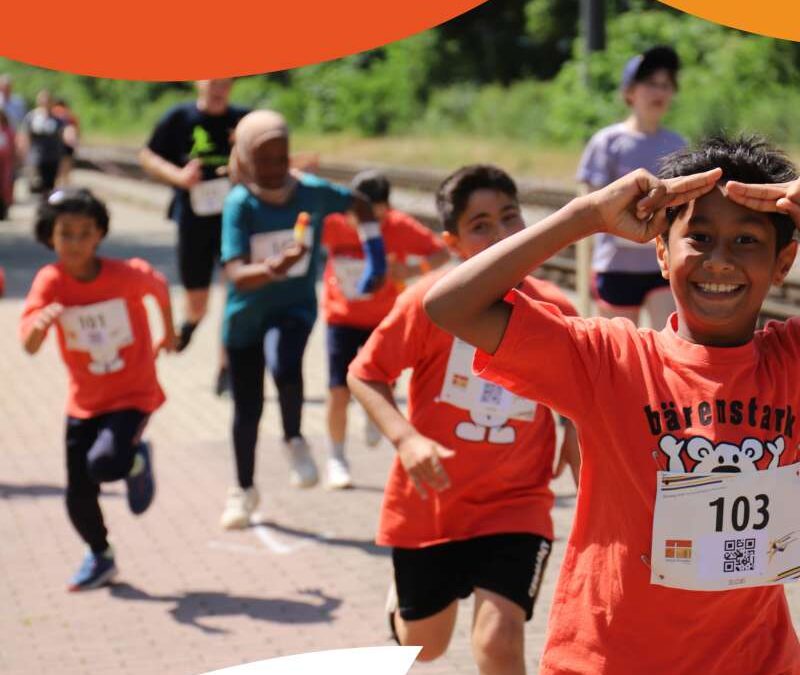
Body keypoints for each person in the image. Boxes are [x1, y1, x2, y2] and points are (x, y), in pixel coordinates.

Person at [424, 136, 800, 674]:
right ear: (663, 253)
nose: (719, 260)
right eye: (698, 237)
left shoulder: (791, 363)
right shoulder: (610, 359)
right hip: (606, 662)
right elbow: (450, 304)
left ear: (783, 260)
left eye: (746, 240)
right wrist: (585, 216)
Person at [348, 165, 580, 674]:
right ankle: (402, 606)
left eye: (510, 217)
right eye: (480, 226)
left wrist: (573, 427)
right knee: (426, 646)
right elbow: (365, 375)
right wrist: (406, 440)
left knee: (500, 640)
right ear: (452, 242)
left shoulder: (556, 309)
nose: (501, 236)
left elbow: (582, 384)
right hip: (431, 500)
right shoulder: (427, 305)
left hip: (517, 503)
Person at [218, 109, 386, 529]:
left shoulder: (310, 192)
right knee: (247, 408)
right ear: (243, 160)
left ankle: (294, 439)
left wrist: (376, 257)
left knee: (285, 361)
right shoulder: (241, 204)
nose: (276, 170)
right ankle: (243, 489)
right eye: (264, 160)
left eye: (282, 157)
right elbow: (235, 272)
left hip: (293, 309)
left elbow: (361, 205)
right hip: (245, 316)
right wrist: (276, 265)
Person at [20, 188, 177, 591]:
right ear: (49, 237)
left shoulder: (125, 276)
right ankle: (101, 554)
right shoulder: (50, 282)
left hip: (132, 392)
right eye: (65, 234)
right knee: (77, 495)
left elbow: (159, 287)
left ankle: (135, 460)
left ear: (99, 235)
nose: (75, 243)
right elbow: (29, 344)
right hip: (85, 400)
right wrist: (39, 325)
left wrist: (169, 334)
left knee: (105, 463)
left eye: (85, 233)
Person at [321, 170, 449, 488]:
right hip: (341, 318)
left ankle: (371, 414)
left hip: (383, 320)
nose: (367, 225)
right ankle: (336, 458)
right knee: (338, 391)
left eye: (374, 217)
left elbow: (441, 252)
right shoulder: (333, 222)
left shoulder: (399, 226)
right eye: (360, 216)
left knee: (382, 389)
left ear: (387, 208)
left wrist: (412, 269)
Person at [139, 79, 248, 394]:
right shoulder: (179, 118)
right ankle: (191, 323)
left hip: (235, 222)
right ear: (200, 82)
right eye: (214, 82)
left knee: (235, 296)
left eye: (226, 83)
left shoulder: (243, 120)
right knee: (198, 302)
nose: (219, 89)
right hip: (193, 221)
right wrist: (178, 177)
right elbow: (147, 156)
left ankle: (227, 369)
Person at [577, 45, 685, 328]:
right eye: (651, 83)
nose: (659, 92)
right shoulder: (607, 142)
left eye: (666, 85)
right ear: (630, 92)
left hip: (661, 267)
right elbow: (588, 210)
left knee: (668, 345)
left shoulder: (678, 145)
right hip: (615, 267)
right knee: (619, 354)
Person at [17, 90, 72, 195]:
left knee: (50, 186)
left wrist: (64, 158)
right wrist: (23, 154)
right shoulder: (31, 117)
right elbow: (25, 136)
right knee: (36, 185)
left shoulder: (57, 119)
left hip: (53, 157)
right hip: (36, 157)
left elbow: (63, 137)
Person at [52, 98, 80, 186]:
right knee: (67, 169)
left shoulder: (53, 112)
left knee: (57, 170)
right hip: (68, 146)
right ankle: (66, 186)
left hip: (57, 144)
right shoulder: (70, 116)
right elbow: (77, 131)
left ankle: (58, 187)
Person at [0, 109, 14, 219]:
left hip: (6, 163)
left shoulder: (8, 130)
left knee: (5, 186)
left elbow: (13, 146)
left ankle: (4, 209)